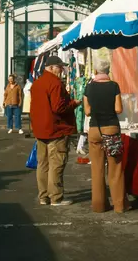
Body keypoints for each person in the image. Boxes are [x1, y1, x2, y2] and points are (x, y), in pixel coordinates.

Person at [30, 56, 80, 206]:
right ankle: (55, 197)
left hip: (41, 129)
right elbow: (59, 107)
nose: (62, 69)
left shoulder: (37, 83)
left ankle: (43, 196)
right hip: (56, 129)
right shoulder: (55, 83)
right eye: (59, 67)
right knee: (56, 164)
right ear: (51, 68)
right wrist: (74, 104)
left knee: (43, 164)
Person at [84, 60, 130, 213]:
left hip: (94, 129)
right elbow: (118, 109)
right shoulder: (114, 86)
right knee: (115, 168)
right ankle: (119, 206)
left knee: (97, 170)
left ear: (96, 72)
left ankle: (99, 206)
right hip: (110, 128)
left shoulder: (89, 87)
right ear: (108, 71)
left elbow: (87, 111)